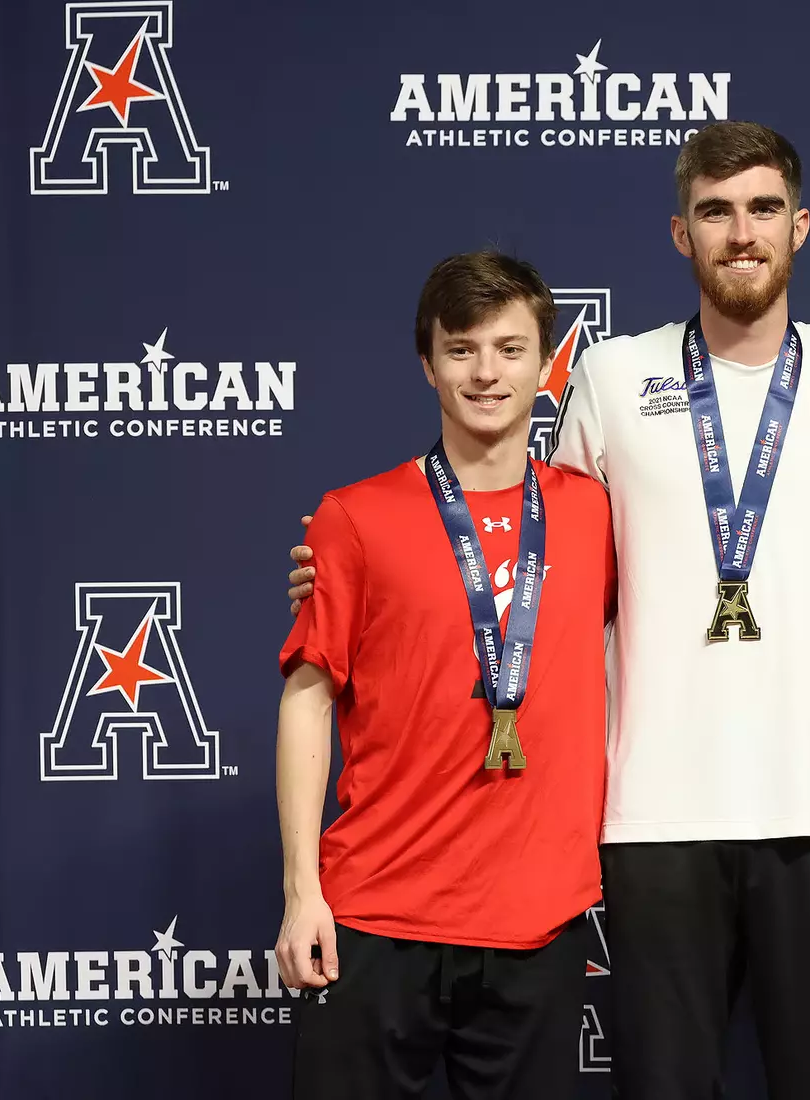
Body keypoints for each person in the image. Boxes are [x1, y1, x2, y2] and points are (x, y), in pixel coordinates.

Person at [294, 121, 810, 1098]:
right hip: (650, 816)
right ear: (679, 234)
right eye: (714, 211)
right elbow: (536, 549)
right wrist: (346, 564)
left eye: (760, 209)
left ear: (800, 225)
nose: (739, 232)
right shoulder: (612, 377)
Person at [273, 251, 616, 1100]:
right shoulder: (355, 517)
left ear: (547, 363)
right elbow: (308, 702)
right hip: (374, 915)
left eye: (510, 348)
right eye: (462, 350)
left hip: (538, 922)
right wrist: (300, 892)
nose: (487, 372)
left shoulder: (597, 511)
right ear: (428, 364)